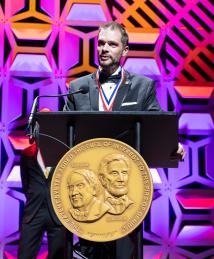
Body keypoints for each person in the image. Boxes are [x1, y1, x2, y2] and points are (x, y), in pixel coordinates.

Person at [64, 21, 185, 259]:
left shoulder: (142, 86)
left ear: (125, 50)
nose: (104, 49)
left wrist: (173, 144)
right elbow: (65, 135)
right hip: (89, 193)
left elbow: (156, 126)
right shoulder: (77, 87)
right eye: (100, 43)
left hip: (128, 188)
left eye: (111, 44)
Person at [18, 143, 66, 259]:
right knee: (25, 254)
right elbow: (25, 182)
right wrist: (35, 194)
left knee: (57, 255)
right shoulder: (27, 153)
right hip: (34, 211)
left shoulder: (64, 151)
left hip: (57, 212)